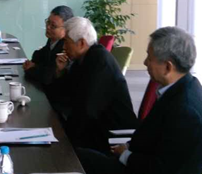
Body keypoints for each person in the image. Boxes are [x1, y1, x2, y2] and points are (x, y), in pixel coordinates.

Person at [77, 27, 202, 174]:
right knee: (81, 157)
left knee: (79, 162)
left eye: (149, 58)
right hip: (142, 173)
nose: (144, 63)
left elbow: (163, 170)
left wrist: (126, 155)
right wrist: (128, 148)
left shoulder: (186, 109)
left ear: (168, 66)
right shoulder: (179, 89)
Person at [50, 16, 137, 151]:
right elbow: (65, 94)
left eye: (66, 42)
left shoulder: (100, 61)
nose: (64, 47)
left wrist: (62, 136)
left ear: (81, 43)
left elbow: (86, 110)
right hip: (94, 126)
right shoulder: (83, 58)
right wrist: (60, 72)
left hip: (113, 135)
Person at [23, 5, 73, 86]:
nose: (48, 27)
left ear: (65, 29)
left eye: (53, 26)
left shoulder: (66, 47)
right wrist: (34, 65)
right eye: (48, 22)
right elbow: (39, 56)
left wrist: (33, 67)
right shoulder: (53, 39)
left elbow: (48, 77)